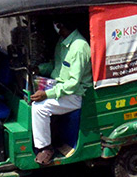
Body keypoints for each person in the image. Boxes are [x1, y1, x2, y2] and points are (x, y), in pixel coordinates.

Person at [31, 19, 92, 165]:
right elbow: (57, 66)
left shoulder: (79, 48)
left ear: (60, 26)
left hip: (75, 94)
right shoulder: (62, 41)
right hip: (59, 85)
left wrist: (46, 94)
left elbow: (72, 84)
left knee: (39, 108)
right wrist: (40, 69)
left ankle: (45, 148)